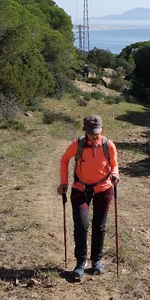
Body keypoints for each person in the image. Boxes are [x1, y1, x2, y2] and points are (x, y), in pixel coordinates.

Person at [58, 114, 120, 280]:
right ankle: (80, 262)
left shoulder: (108, 145)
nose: (94, 135)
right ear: (85, 130)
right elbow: (64, 160)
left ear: (102, 129)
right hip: (80, 188)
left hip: (104, 188)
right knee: (81, 225)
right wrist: (63, 182)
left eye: (97, 132)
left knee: (99, 225)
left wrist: (114, 174)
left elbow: (114, 164)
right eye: (91, 132)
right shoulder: (77, 144)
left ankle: (97, 261)